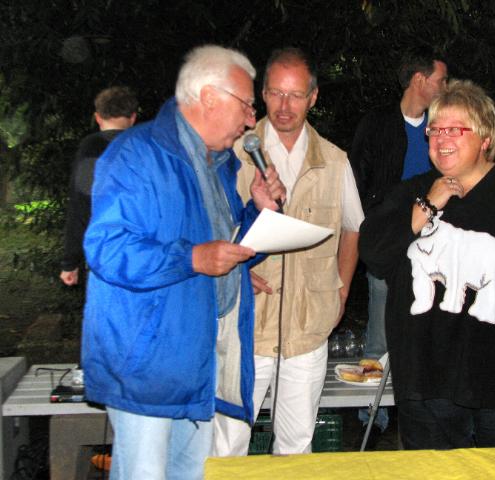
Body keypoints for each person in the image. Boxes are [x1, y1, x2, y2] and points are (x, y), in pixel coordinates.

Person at [358, 79, 495, 474]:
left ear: (485, 138)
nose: (442, 139)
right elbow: (374, 253)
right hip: (427, 377)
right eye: (435, 129)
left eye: (454, 129)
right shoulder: (412, 193)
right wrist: (427, 206)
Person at [81, 45, 285, 480]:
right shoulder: (136, 154)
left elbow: (228, 252)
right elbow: (107, 249)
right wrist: (192, 258)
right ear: (209, 97)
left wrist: (258, 211)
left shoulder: (219, 165)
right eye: (247, 105)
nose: (252, 120)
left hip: (197, 366)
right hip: (146, 369)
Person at [213, 47, 364, 455]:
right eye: (277, 93)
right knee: (226, 444)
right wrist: (235, 269)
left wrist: (341, 291)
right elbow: (207, 231)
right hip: (246, 326)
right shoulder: (232, 154)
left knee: (296, 446)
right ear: (262, 93)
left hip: (308, 327)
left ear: (313, 97)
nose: (285, 106)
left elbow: (353, 227)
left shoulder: (334, 161)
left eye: (296, 95)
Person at [349, 53, 448, 439]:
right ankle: (371, 418)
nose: (445, 86)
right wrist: (369, 229)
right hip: (390, 240)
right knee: (381, 324)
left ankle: (427, 410)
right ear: (420, 80)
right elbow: (356, 181)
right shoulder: (377, 124)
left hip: (436, 244)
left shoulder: (442, 126)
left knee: (430, 324)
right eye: (440, 79)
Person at [59, 86, 138, 286]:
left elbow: (80, 204)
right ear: (133, 117)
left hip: (106, 249)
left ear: (98, 117)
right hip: (146, 246)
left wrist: (70, 261)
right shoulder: (146, 146)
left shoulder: (92, 146)